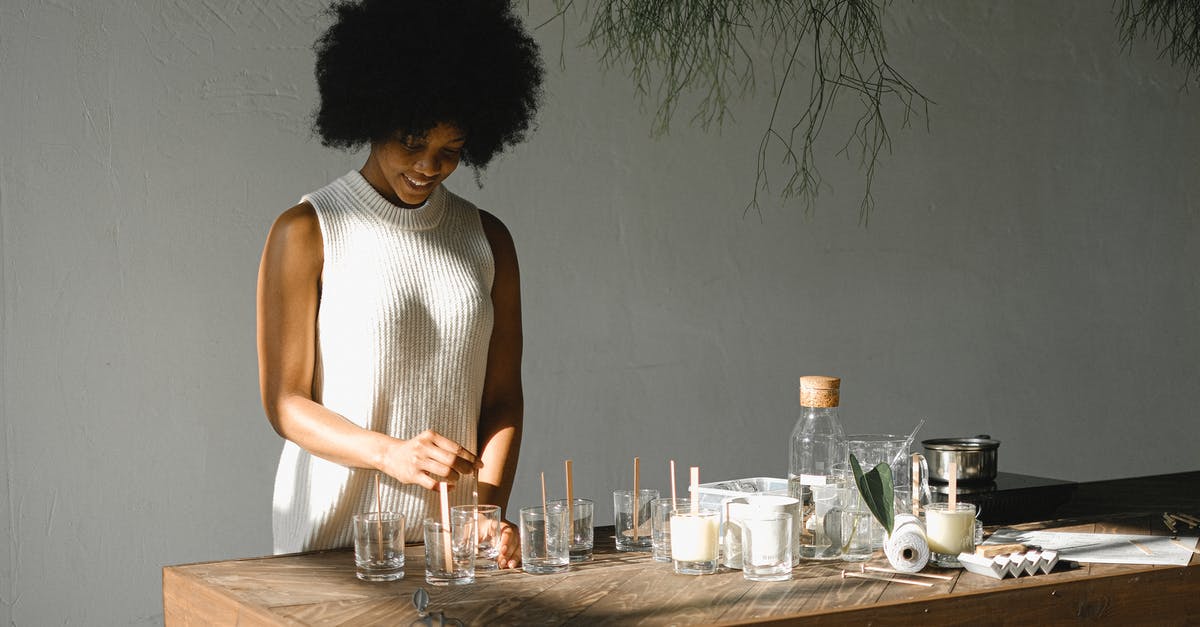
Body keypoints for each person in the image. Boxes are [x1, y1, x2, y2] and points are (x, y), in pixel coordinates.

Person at [256, 0, 543, 569]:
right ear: (371, 113)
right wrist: (389, 454)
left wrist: (483, 513)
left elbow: (503, 399)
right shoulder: (308, 230)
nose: (429, 166)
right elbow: (286, 404)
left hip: (451, 549)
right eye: (412, 142)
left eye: (450, 152)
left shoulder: (488, 239)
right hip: (334, 547)